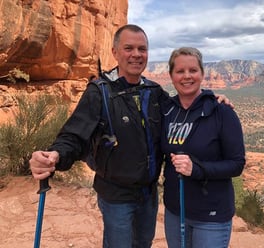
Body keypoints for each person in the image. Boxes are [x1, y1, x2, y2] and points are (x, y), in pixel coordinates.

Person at [29, 24, 232, 248]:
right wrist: (55, 155)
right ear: (115, 52)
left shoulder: (155, 92)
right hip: (116, 195)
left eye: (142, 49)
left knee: (143, 243)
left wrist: (211, 99)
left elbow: (182, 110)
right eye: (129, 48)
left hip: (148, 194)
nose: (136, 54)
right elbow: (75, 136)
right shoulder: (100, 92)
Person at [161, 47, 246, 248]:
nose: (186, 76)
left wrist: (197, 170)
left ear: (202, 73)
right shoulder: (167, 110)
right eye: (180, 71)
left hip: (211, 216)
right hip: (175, 212)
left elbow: (237, 164)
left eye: (193, 70)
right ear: (171, 76)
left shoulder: (221, 112)